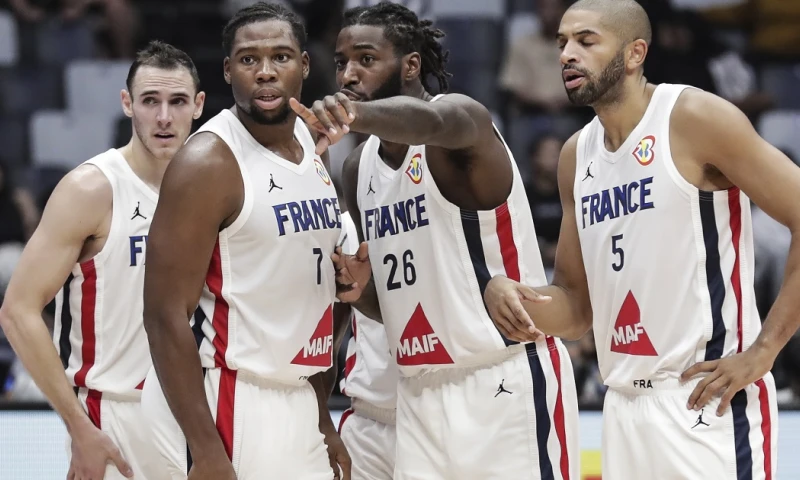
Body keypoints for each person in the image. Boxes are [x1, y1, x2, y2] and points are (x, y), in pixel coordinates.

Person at [484, 0, 800, 477]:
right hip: (623, 407)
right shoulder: (576, 156)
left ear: (635, 53)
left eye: (586, 41)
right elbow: (575, 308)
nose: (568, 53)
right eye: (562, 43)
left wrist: (764, 351)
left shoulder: (693, 116)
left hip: (705, 400)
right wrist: (509, 297)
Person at [292, 3, 579, 478]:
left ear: (410, 65)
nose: (348, 73)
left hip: (500, 377)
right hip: (419, 391)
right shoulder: (356, 168)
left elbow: (432, 123)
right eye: (342, 61)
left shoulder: (460, 122)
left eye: (366, 59)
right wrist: (359, 288)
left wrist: (355, 113)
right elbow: (393, 307)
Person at [140, 3, 350, 480]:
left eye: (280, 57)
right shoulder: (207, 163)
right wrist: (206, 450)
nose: (266, 72)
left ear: (305, 64)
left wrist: (319, 416)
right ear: (228, 70)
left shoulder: (311, 145)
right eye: (249, 60)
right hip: (226, 396)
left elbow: (319, 289)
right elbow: (162, 315)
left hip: (296, 394)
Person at [0, 40, 205, 480]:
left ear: (199, 106)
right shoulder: (91, 189)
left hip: (202, 415)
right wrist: (78, 427)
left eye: (177, 101)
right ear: (127, 104)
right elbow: (18, 311)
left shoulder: (212, 191)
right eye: (150, 101)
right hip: (115, 416)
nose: (164, 117)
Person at [337, 207, 398, 480]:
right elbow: (327, 332)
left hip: (434, 410)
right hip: (367, 419)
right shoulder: (346, 226)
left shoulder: (445, 208)